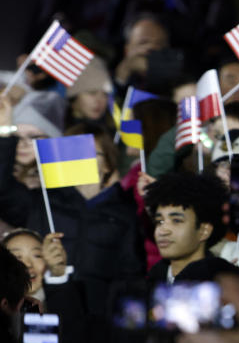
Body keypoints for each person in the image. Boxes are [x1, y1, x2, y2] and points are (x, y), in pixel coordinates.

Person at [0, 117, 145, 316]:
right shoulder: (41, 202)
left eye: (90, 153)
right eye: (74, 152)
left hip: (99, 320)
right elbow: (2, 188)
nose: (80, 159)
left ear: (107, 165)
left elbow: (132, 275)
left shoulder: (124, 213)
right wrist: (5, 133)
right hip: (42, 310)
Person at [143, 171, 239, 282]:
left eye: (176, 220)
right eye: (159, 221)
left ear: (204, 230)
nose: (162, 231)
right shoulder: (150, 282)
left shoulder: (227, 284)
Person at [65, 57, 113, 127]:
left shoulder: (114, 130)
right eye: (92, 92)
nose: (99, 101)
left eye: (105, 94)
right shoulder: (55, 131)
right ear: (75, 96)